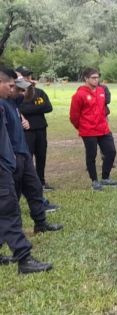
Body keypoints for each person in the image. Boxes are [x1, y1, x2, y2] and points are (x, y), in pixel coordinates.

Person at [0, 66, 52, 274]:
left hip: (10, 163)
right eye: (11, 85)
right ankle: (24, 259)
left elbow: (25, 93)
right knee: (9, 212)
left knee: (5, 210)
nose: (14, 89)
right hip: (4, 167)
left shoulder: (9, 103)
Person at [3, 78, 63, 234]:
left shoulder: (14, 102)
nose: (21, 93)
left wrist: (27, 84)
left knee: (35, 189)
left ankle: (40, 224)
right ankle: (12, 233)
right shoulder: (3, 104)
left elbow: (28, 95)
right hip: (12, 157)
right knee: (12, 198)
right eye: (17, 88)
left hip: (24, 154)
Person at [70, 68, 117, 191]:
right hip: (88, 130)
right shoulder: (79, 95)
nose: (96, 80)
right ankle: (94, 181)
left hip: (103, 128)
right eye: (93, 78)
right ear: (86, 78)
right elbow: (74, 116)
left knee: (111, 152)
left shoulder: (101, 91)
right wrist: (81, 127)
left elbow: (103, 109)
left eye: (97, 77)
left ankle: (105, 178)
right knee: (91, 155)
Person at [15, 66, 54, 191]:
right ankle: (27, 184)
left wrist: (30, 110)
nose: (28, 78)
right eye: (25, 75)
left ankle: (41, 182)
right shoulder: (17, 94)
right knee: (27, 158)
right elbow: (20, 109)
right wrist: (38, 108)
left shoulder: (39, 92)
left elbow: (48, 107)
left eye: (29, 75)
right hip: (27, 131)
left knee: (41, 156)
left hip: (41, 128)